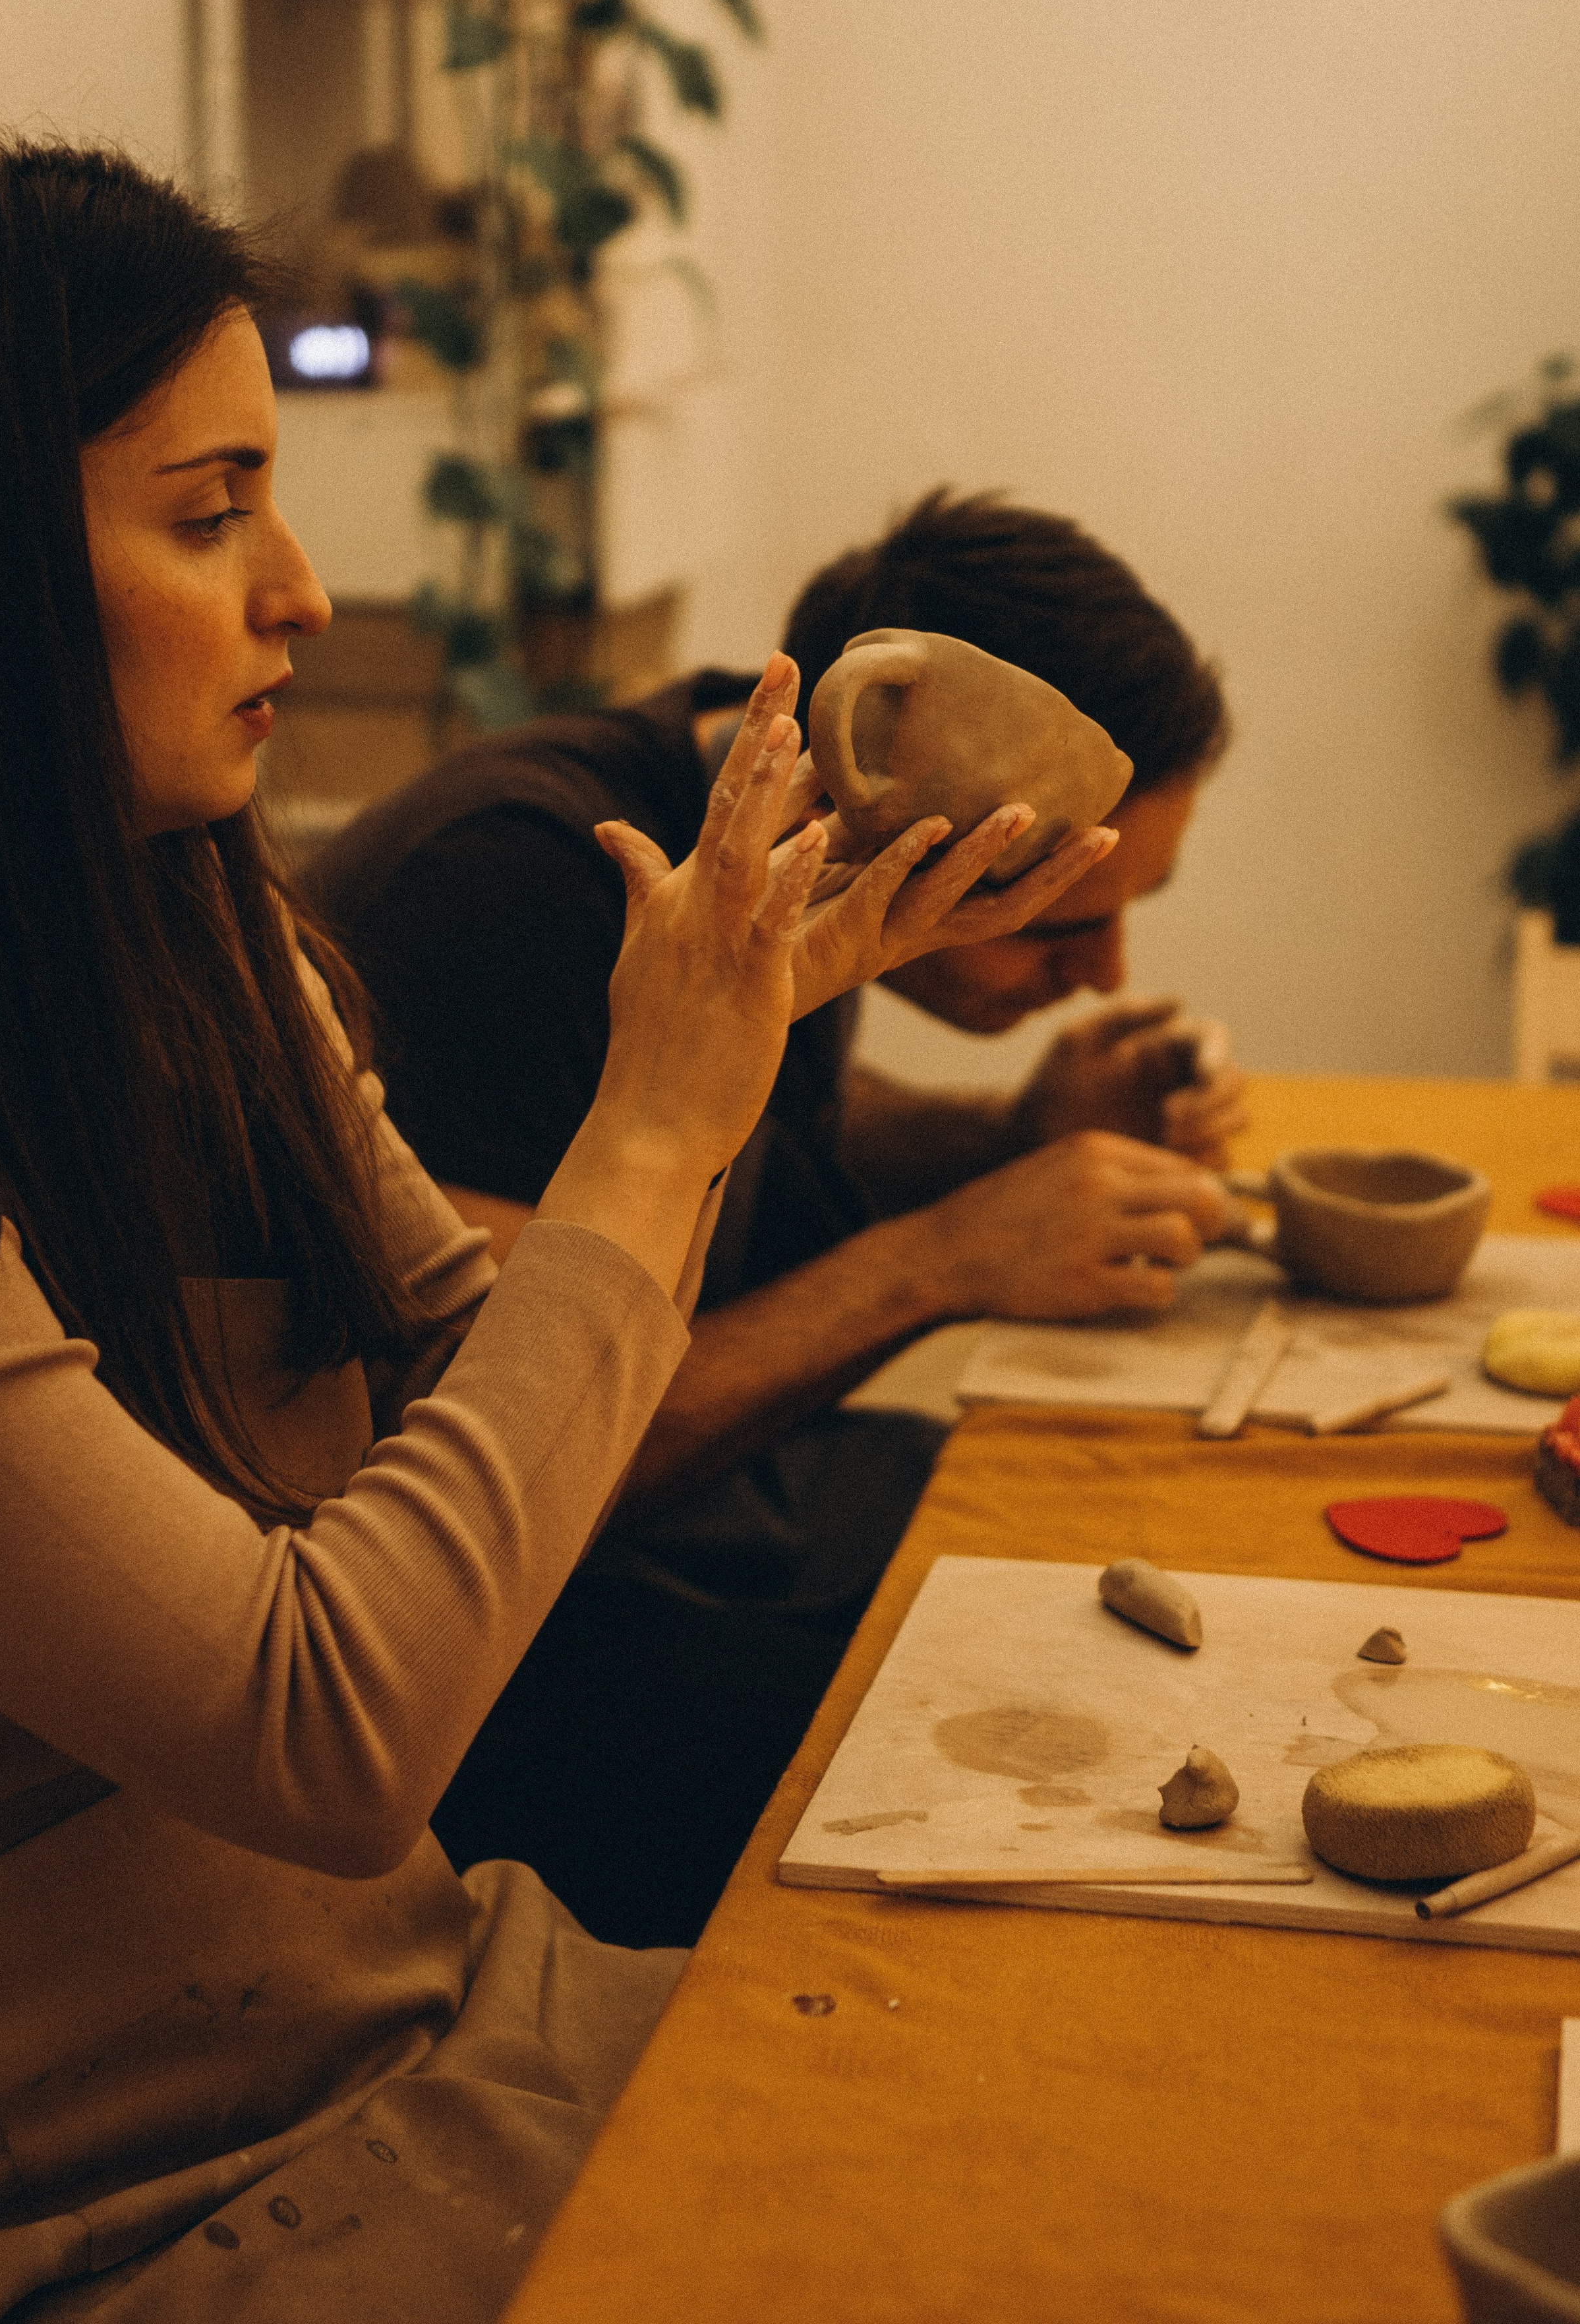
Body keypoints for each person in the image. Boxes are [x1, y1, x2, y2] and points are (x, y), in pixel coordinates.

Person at [0, 144, 1111, 2324]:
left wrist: (738, 1044)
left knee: (1096, 2095)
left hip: (436, 2006)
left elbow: (505, 1374)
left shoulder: (202, 950)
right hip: (131, 2207)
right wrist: (661, 1121)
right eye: (206, 513)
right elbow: (330, 1736)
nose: (300, 590)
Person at [306, 494, 1243, 1952]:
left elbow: (779, 1142)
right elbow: (514, 1462)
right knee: (1032, 1765)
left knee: (1110, 1543)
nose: (1101, 969)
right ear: (892, 770)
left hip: (696, 1525)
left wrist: (1006, 1141)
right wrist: (945, 1261)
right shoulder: (523, 893)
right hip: (484, 1672)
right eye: (1061, 917)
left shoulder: (775, 808)